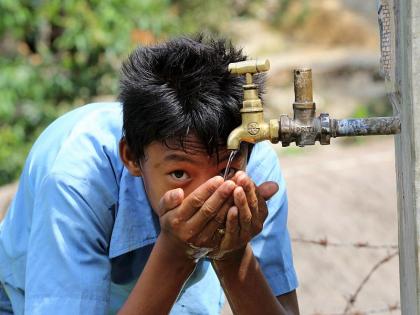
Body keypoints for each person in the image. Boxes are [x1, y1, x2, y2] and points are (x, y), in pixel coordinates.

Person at [0, 35, 299, 314]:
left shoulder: (252, 169)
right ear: (131, 157)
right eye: (180, 173)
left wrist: (232, 256)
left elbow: (285, 307)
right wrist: (177, 251)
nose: (205, 195)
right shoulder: (76, 179)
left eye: (224, 172)